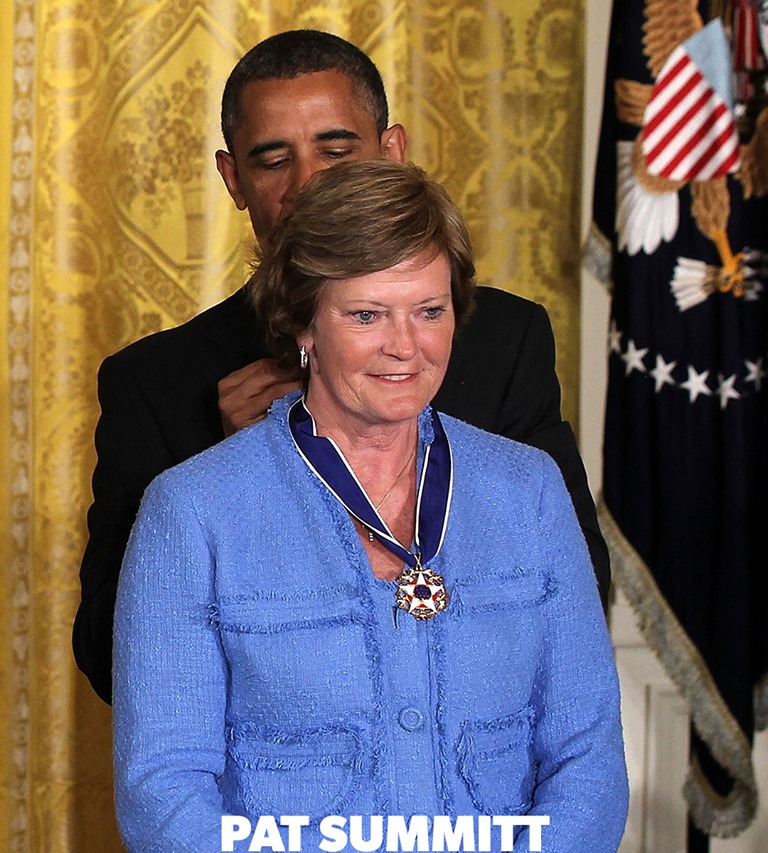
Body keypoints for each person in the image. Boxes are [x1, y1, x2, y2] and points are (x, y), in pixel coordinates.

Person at [113, 159, 627, 853]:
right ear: (303, 324)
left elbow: (587, 761)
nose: (405, 347)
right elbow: (163, 794)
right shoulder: (192, 510)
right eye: (366, 314)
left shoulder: (529, 491)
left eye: (429, 310)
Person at [75, 29, 610, 705]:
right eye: (274, 160)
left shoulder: (502, 340)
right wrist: (235, 471)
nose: (308, 184)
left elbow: (577, 594)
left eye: (336, 151)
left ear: (392, 153)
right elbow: (113, 659)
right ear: (234, 180)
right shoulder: (156, 382)